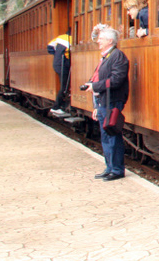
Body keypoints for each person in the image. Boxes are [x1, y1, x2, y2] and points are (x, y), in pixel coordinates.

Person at [80, 27, 129, 181]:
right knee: (106, 137)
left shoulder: (117, 56)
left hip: (112, 101)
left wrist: (95, 86)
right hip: (104, 101)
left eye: (101, 38)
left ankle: (117, 170)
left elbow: (116, 80)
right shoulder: (106, 57)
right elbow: (98, 78)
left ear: (109, 41)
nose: (98, 41)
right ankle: (109, 167)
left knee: (113, 136)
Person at [46, 31, 71, 116]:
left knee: (64, 85)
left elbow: (49, 47)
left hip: (57, 63)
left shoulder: (60, 37)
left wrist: (56, 55)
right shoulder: (71, 40)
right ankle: (56, 107)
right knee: (64, 86)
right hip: (63, 64)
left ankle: (60, 105)